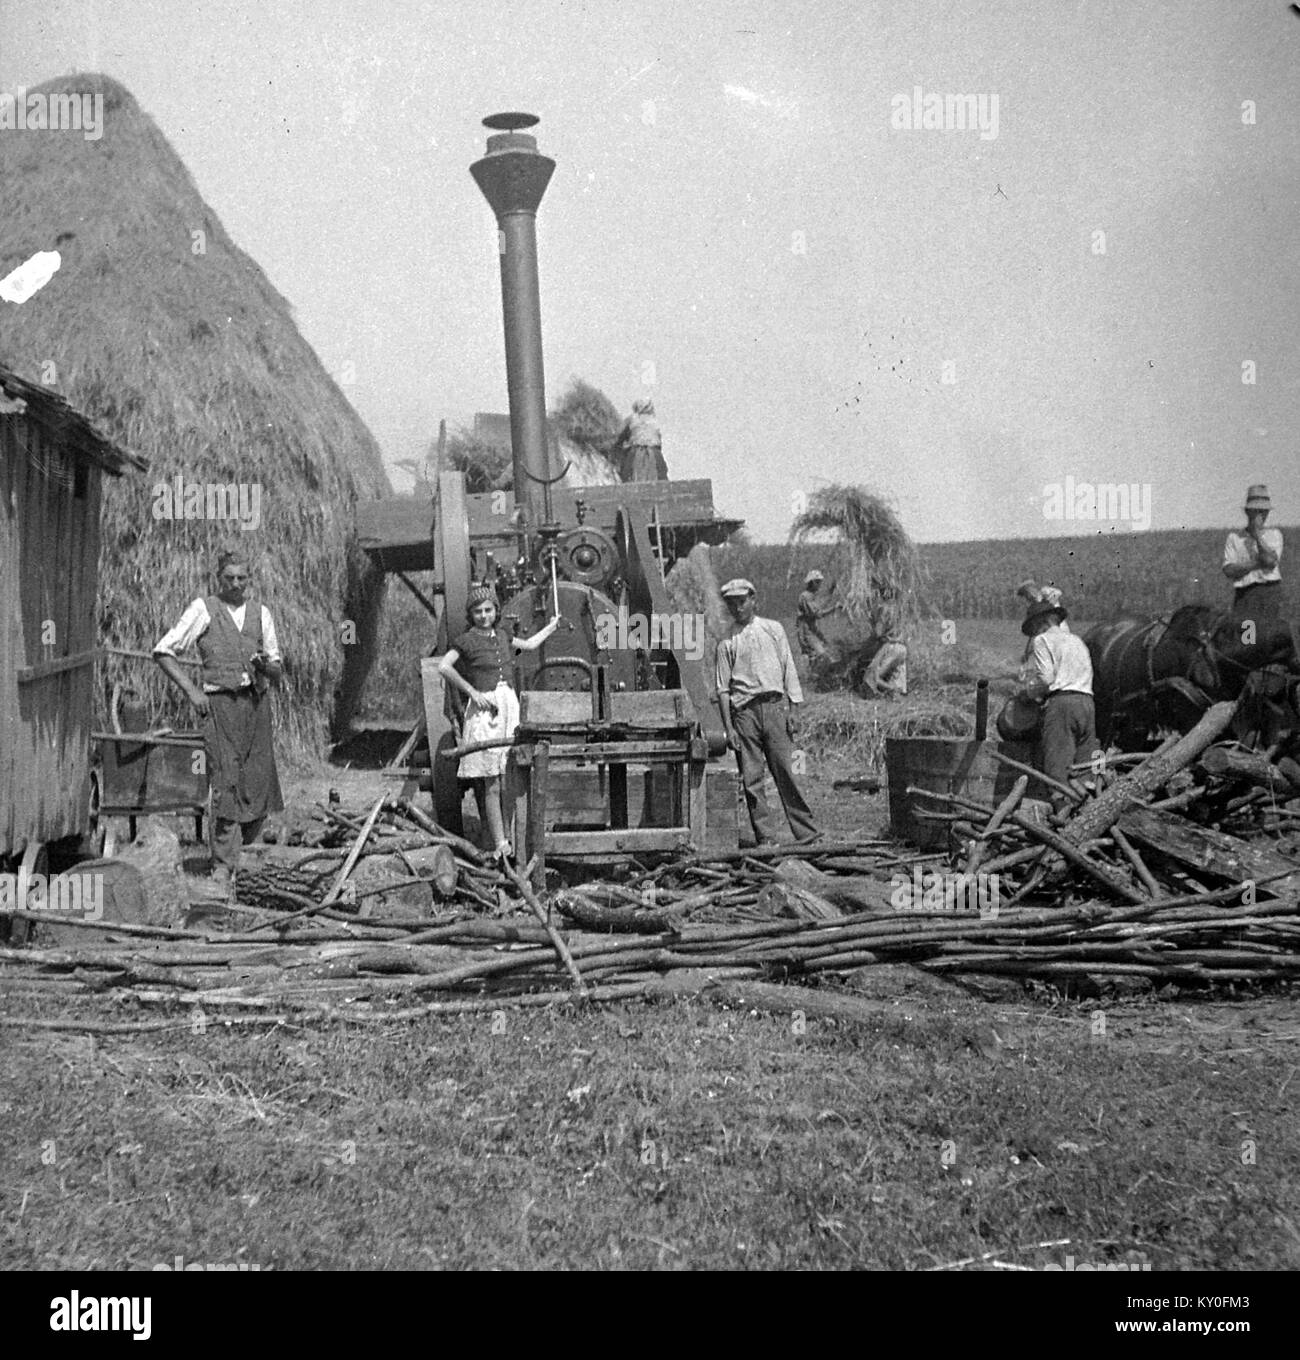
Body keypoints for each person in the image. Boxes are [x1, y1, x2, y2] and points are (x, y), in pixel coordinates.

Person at [154, 549, 284, 892]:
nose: (236, 584)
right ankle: (223, 865)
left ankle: (251, 859)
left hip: (256, 706)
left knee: (257, 781)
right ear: (219, 579)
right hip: (219, 708)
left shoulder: (262, 613)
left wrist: (263, 666)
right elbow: (164, 651)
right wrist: (193, 693)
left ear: (250, 579)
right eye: (230, 578)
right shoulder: (204, 609)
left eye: (242, 578)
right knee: (226, 782)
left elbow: (277, 667)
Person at [438, 585, 560, 859]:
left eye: (488, 610)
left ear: (496, 611)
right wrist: (472, 693)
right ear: (471, 615)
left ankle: (516, 836)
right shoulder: (466, 640)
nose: (483, 615)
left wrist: (551, 627)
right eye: (478, 611)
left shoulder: (504, 634)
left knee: (512, 776)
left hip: (509, 708)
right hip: (485, 713)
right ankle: (500, 843)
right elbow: (444, 667)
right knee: (491, 780)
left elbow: (528, 645)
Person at [715, 578, 820, 846]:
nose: (738, 608)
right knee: (752, 779)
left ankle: (808, 834)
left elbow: (789, 669)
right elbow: (723, 690)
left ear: (753, 600)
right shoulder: (726, 642)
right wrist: (729, 729)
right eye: (732, 604)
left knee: (788, 772)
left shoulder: (774, 630)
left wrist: (794, 710)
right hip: (744, 715)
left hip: (774, 709)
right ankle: (766, 838)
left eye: (742, 601)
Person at [1016, 596, 1099, 814]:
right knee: (1084, 768)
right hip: (1088, 703)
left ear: (1040, 623)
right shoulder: (1077, 640)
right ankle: (1087, 813)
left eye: (1034, 627)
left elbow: (1046, 678)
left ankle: (1063, 818)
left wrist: (1028, 693)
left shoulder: (1042, 640)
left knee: (1056, 768)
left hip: (1063, 705)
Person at [1223, 484, 1283, 629]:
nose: (1262, 515)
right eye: (1257, 511)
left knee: (1266, 637)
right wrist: (1256, 564)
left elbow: (1269, 562)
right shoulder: (1234, 537)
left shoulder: (1274, 535)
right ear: (1248, 512)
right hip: (1245, 595)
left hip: (1268, 593)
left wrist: (1257, 536)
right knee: (1247, 640)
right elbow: (1229, 570)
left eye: (1264, 511)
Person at [859, 602, 908, 698]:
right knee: (895, 678)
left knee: (872, 678)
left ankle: (892, 691)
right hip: (900, 646)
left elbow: (878, 632)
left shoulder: (884, 610)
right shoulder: (896, 608)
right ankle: (895, 692)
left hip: (891, 647)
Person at [795, 569, 841, 666]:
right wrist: (834, 608)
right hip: (806, 631)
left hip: (812, 629)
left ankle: (815, 676)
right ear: (812, 582)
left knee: (825, 649)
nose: (820, 585)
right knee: (822, 655)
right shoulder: (805, 597)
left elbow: (821, 604)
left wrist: (831, 592)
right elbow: (818, 614)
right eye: (818, 582)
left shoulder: (811, 596)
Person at [615, 398, 668, 482]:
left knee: (626, 475)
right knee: (662, 475)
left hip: (636, 451)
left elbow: (619, 436)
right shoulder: (655, 420)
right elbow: (659, 441)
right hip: (655, 452)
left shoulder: (631, 418)